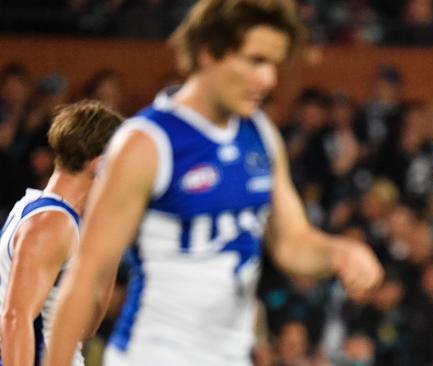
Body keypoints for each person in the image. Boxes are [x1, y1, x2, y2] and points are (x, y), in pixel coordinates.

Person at [43, 1, 384, 365]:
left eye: (273, 64)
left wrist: (340, 253)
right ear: (208, 53)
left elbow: (292, 244)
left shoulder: (260, 135)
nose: (268, 79)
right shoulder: (148, 142)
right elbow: (86, 275)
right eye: (255, 60)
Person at [0, 100, 123, 366]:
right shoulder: (51, 223)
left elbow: (85, 328)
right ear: (100, 164)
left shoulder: (51, 215)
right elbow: (14, 318)